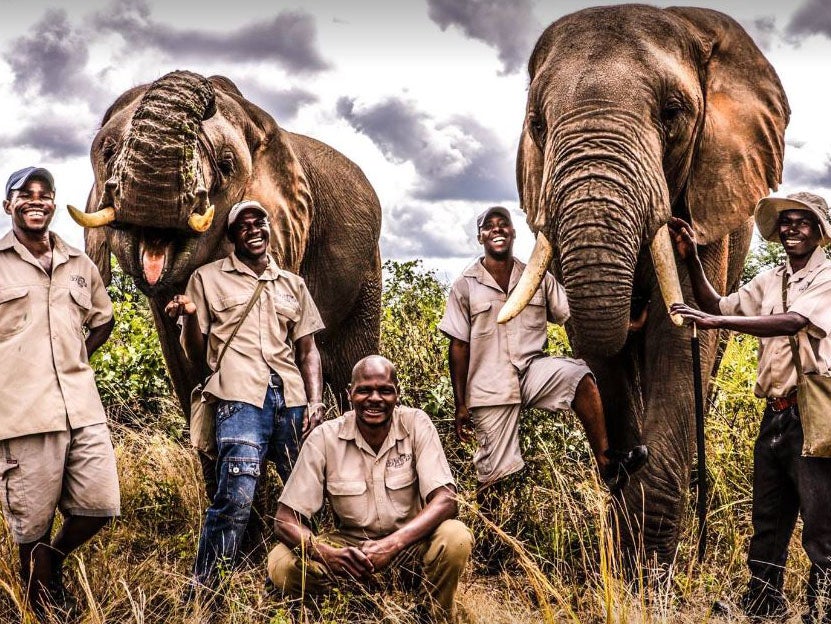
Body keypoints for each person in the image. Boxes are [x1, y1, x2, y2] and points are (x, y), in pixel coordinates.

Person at [438, 206, 647, 565]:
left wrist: (627, 324)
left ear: (514, 233)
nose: (497, 229)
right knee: (493, 473)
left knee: (578, 375)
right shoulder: (465, 285)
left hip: (531, 371)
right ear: (481, 237)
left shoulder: (536, 275)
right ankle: (492, 545)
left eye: (503, 223)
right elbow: (458, 346)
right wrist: (461, 405)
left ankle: (607, 461)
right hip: (490, 386)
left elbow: (573, 313)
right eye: (489, 226)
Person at [669, 192, 831, 624]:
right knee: (768, 518)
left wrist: (717, 325)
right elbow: (716, 306)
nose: (792, 228)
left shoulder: (827, 278)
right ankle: (762, 604)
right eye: (786, 222)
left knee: (821, 524)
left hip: (813, 415)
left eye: (803, 221)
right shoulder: (770, 280)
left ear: (819, 232)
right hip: (775, 413)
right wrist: (691, 262)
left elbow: (794, 321)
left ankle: (822, 610)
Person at [165, 199, 326, 592]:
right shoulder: (207, 279)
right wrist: (186, 319)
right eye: (243, 225)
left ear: (269, 229)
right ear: (232, 236)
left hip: (290, 400)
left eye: (260, 222)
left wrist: (316, 401)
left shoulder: (293, 284)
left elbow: (307, 351)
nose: (254, 230)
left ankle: (310, 581)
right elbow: (196, 350)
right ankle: (207, 591)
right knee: (234, 499)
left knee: (306, 496)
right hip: (240, 399)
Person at [267, 355, 473, 622]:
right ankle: (353, 607)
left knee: (455, 536)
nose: (375, 398)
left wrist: (392, 545)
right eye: (364, 390)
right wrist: (328, 554)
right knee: (280, 562)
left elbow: (446, 499)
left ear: (397, 395)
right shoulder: (325, 437)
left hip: (409, 546)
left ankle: (434, 615)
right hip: (350, 552)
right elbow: (284, 520)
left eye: (385, 390)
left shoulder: (416, 424)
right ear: (349, 394)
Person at [0, 166, 118, 618]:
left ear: (53, 203)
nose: (36, 200)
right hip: (23, 413)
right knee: (31, 525)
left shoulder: (78, 263)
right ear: (8, 204)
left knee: (101, 504)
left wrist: (77, 358)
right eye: (24, 193)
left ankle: (54, 558)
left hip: (81, 406)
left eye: (45, 194)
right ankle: (41, 603)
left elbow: (103, 318)